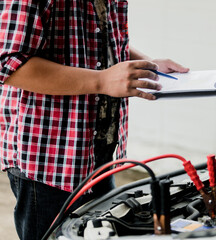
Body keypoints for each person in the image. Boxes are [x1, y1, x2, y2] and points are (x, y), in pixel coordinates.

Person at [0, 0, 189, 239]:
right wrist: (102, 80)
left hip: (96, 153)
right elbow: (10, 64)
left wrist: (148, 67)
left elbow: (96, 42)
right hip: (49, 158)